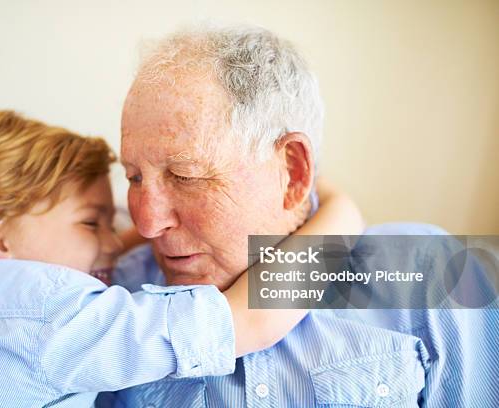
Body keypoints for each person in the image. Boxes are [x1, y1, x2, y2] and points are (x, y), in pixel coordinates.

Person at [96, 26, 498, 407]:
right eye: (134, 178)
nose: (147, 224)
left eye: (186, 176)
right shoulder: (116, 304)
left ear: (293, 172)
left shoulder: (430, 276)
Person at [0, 110, 362, 407]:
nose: (120, 238)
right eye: (91, 223)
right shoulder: (52, 315)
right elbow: (248, 322)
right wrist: (341, 213)